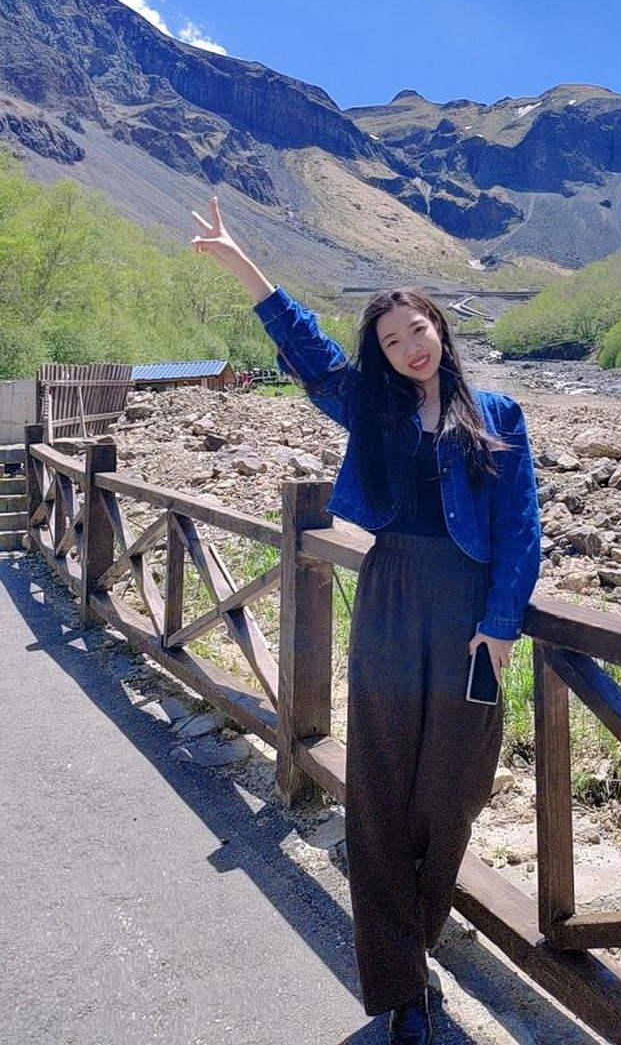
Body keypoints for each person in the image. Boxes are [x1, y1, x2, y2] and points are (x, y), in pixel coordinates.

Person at [190, 197, 542, 1045]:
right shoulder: (373, 410)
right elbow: (309, 352)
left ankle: (412, 938)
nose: (410, 345)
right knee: (379, 789)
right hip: (389, 600)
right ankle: (405, 991)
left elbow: (521, 526)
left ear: (440, 328)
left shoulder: (498, 414)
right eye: (391, 340)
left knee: (452, 793)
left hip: (467, 616)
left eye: (418, 328)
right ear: (381, 355)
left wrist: (501, 623)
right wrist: (244, 265)